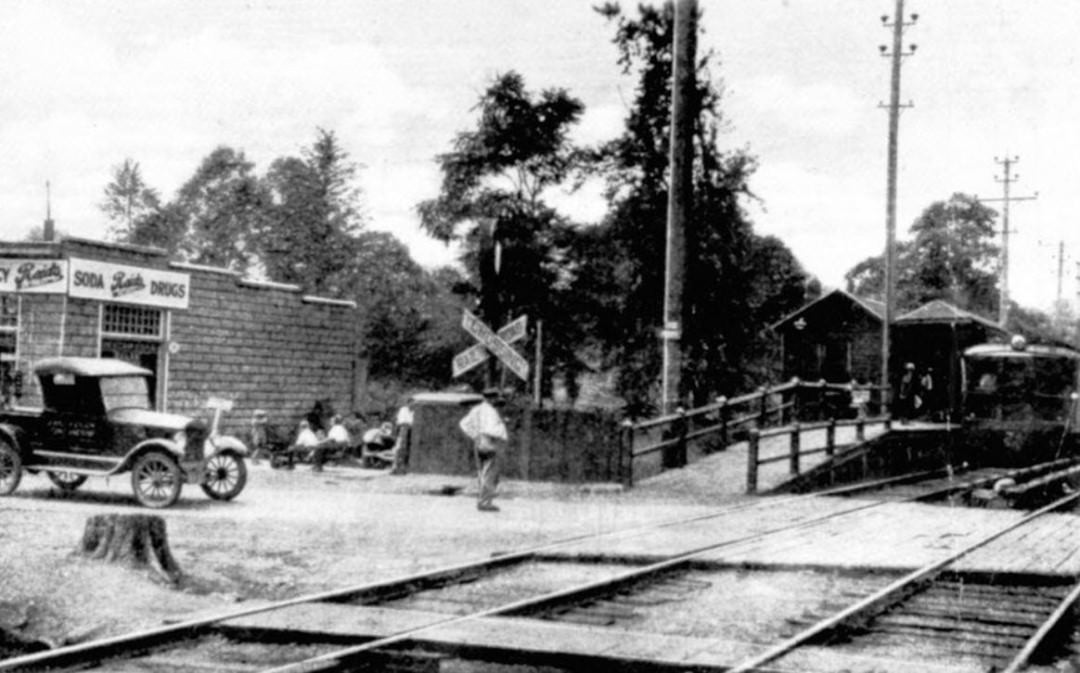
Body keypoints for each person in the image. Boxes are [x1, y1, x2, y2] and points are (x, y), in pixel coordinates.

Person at [458, 388, 508, 512]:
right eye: (495, 398)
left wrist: (475, 435)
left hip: (479, 440)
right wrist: (502, 426)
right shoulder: (491, 411)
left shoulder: (476, 409)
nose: (497, 400)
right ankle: (485, 502)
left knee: (482, 471)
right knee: (490, 472)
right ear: (491, 398)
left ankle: (483, 499)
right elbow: (492, 429)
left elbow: (463, 423)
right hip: (491, 440)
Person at [390, 398, 414, 475]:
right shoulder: (403, 410)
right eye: (411, 403)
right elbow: (402, 421)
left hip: (412, 431)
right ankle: (395, 467)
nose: (412, 405)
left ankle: (405, 468)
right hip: (403, 428)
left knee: (408, 449)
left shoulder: (415, 411)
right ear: (408, 403)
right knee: (399, 448)